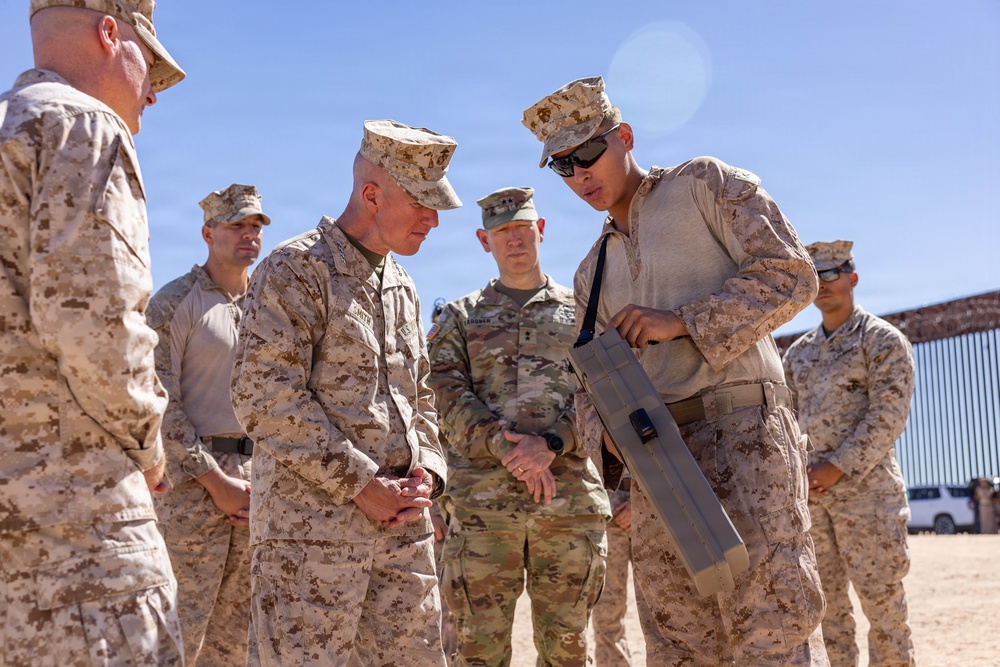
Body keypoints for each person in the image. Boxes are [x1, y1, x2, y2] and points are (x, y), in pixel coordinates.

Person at [522, 76, 827, 666]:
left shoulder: (703, 186)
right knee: (678, 644)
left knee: (770, 633)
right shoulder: (591, 272)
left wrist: (684, 320)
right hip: (659, 462)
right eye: (563, 166)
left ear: (625, 136)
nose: (581, 174)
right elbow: (585, 387)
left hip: (746, 440)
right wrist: (604, 436)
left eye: (588, 153)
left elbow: (792, 275)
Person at [230, 120, 459, 667]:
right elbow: (263, 396)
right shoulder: (296, 269)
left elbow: (421, 397)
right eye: (421, 202)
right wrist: (360, 483)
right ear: (371, 194)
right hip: (311, 543)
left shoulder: (402, 284)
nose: (432, 219)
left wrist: (428, 469)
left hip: (404, 537)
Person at [0, 1, 186, 663]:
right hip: (76, 528)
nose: (151, 97)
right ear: (111, 32)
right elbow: (95, 323)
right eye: (151, 71)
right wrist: (148, 442)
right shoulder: (82, 124)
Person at [427, 186, 609, 667]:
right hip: (482, 508)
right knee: (478, 653)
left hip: (567, 503)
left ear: (541, 230)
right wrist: (510, 450)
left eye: (522, 228)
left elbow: (604, 392)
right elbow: (445, 393)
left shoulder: (585, 315)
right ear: (484, 240)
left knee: (567, 651)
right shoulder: (458, 319)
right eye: (501, 231)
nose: (514, 240)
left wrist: (551, 444)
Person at [146, 184, 270, 664]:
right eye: (236, 225)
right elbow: (160, 402)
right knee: (177, 631)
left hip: (258, 486)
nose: (248, 235)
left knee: (237, 641)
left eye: (256, 226)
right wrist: (213, 480)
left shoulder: (271, 306)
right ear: (207, 232)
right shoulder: (177, 301)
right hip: (191, 489)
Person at [783, 240, 917, 666]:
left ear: (852, 277)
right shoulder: (798, 354)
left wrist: (835, 467)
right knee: (829, 619)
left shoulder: (881, 341)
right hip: (815, 505)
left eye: (831, 274)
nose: (822, 285)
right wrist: (802, 477)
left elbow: (888, 415)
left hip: (869, 500)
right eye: (813, 277)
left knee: (886, 613)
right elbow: (788, 424)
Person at [590, 476, 634, 667]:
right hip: (606, 505)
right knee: (607, 610)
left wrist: (643, 502)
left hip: (658, 509)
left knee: (668, 611)